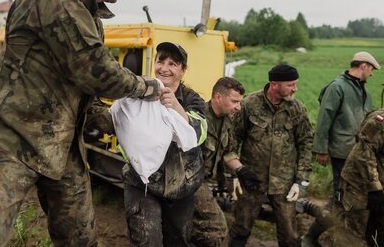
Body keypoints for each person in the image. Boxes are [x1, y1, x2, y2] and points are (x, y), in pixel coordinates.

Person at [0, 0, 162, 247]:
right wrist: (148, 88)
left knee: (80, 239)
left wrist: (125, 122)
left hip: (63, 148)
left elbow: (84, 89)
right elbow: (96, 70)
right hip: (13, 140)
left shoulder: (91, 18)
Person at [122, 42, 207, 247]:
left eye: (173, 63)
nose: (164, 68)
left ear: (183, 70)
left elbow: (199, 133)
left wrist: (176, 107)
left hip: (181, 186)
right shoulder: (140, 92)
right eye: (161, 61)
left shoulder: (192, 99)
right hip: (143, 183)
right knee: (147, 240)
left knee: (178, 240)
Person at [227, 64, 313, 247]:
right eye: (291, 85)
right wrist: (234, 174)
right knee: (240, 228)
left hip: (284, 183)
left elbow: (306, 143)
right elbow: (233, 139)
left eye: (295, 84)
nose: (295, 89)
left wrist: (301, 180)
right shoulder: (250, 104)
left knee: (290, 235)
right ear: (274, 84)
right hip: (251, 180)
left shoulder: (297, 109)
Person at [304, 51, 380, 246]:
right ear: (363, 66)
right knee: (339, 198)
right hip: (341, 150)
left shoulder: (363, 90)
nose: (372, 73)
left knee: (351, 199)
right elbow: (324, 120)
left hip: (359, 154)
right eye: (371, 69)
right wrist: (321, 149)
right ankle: (312, 237)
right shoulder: (337, 87)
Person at [191, 77, 245, 247]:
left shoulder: (228, 119)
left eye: (240, 102)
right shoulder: (197, 120)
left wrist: (241, 171)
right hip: (191, 182)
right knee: (218, 227)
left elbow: (228, 151)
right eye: (234, 101)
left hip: (207, 182)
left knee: (202, 231)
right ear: (218, 97)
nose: (238, 107)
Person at [328, 109, 384, 247]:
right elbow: (364, 154)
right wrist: (375, 188)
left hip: (379, 184)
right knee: (351, 237)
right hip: (359, 186)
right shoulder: (379, 122)